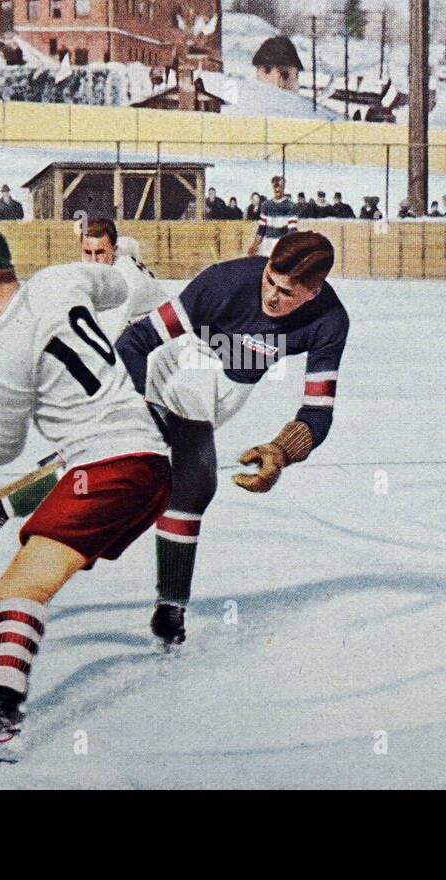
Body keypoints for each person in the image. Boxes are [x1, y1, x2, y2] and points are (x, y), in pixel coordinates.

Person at [0, 227, 171, 756]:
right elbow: (121, 290)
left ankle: (2, 711)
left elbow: (2, 445)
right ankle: (0, 677)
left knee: (21, 585)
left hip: (109, 466)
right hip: (146, 460)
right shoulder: (60, 280)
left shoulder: (3, 348)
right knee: (21, 578)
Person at [114, 232, 349, 646]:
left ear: (314, 292)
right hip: (181, 366)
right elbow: (133, 342)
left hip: (229, 391)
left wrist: (283, 449)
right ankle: (171, 607)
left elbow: (318, 411)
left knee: (113, 466)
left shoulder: (330, 320)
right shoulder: (225, 282)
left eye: (287, 292)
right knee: (192, 479)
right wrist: (140, 410)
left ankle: (1, 507)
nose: (272, 297)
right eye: (269, 281)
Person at [0, 217, 170, 567]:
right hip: (144, 366)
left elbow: (100, 347)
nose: (92, 260)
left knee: (111, 455)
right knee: (104, 457)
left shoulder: (125, 282)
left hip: (162, 370)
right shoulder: (107, 267)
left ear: (113, 251)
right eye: (86, 252)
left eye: (100, 252)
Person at [250, 176, 298, 256]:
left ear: (283, 187)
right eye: (275, 187)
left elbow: (292, 230)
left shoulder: (291, 206)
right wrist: (254, 246)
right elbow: (261, 229)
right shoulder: (265, 205)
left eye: (280, 186)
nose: (277, 189)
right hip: (266, 247)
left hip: (282, 248)